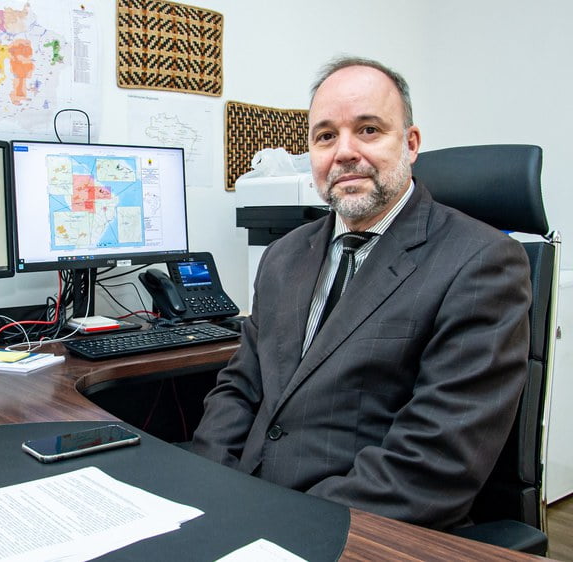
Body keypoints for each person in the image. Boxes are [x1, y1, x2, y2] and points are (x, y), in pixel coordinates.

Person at [191, 56, 531, 530]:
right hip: (245, 502)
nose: (344, 152)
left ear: (410, 144)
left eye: (368, 129)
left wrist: (285, 521)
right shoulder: (283, 256)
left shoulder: (481, 262)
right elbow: (240, 387)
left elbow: (433, 463)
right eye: (325, 136)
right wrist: (212, 485)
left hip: (358, 528)